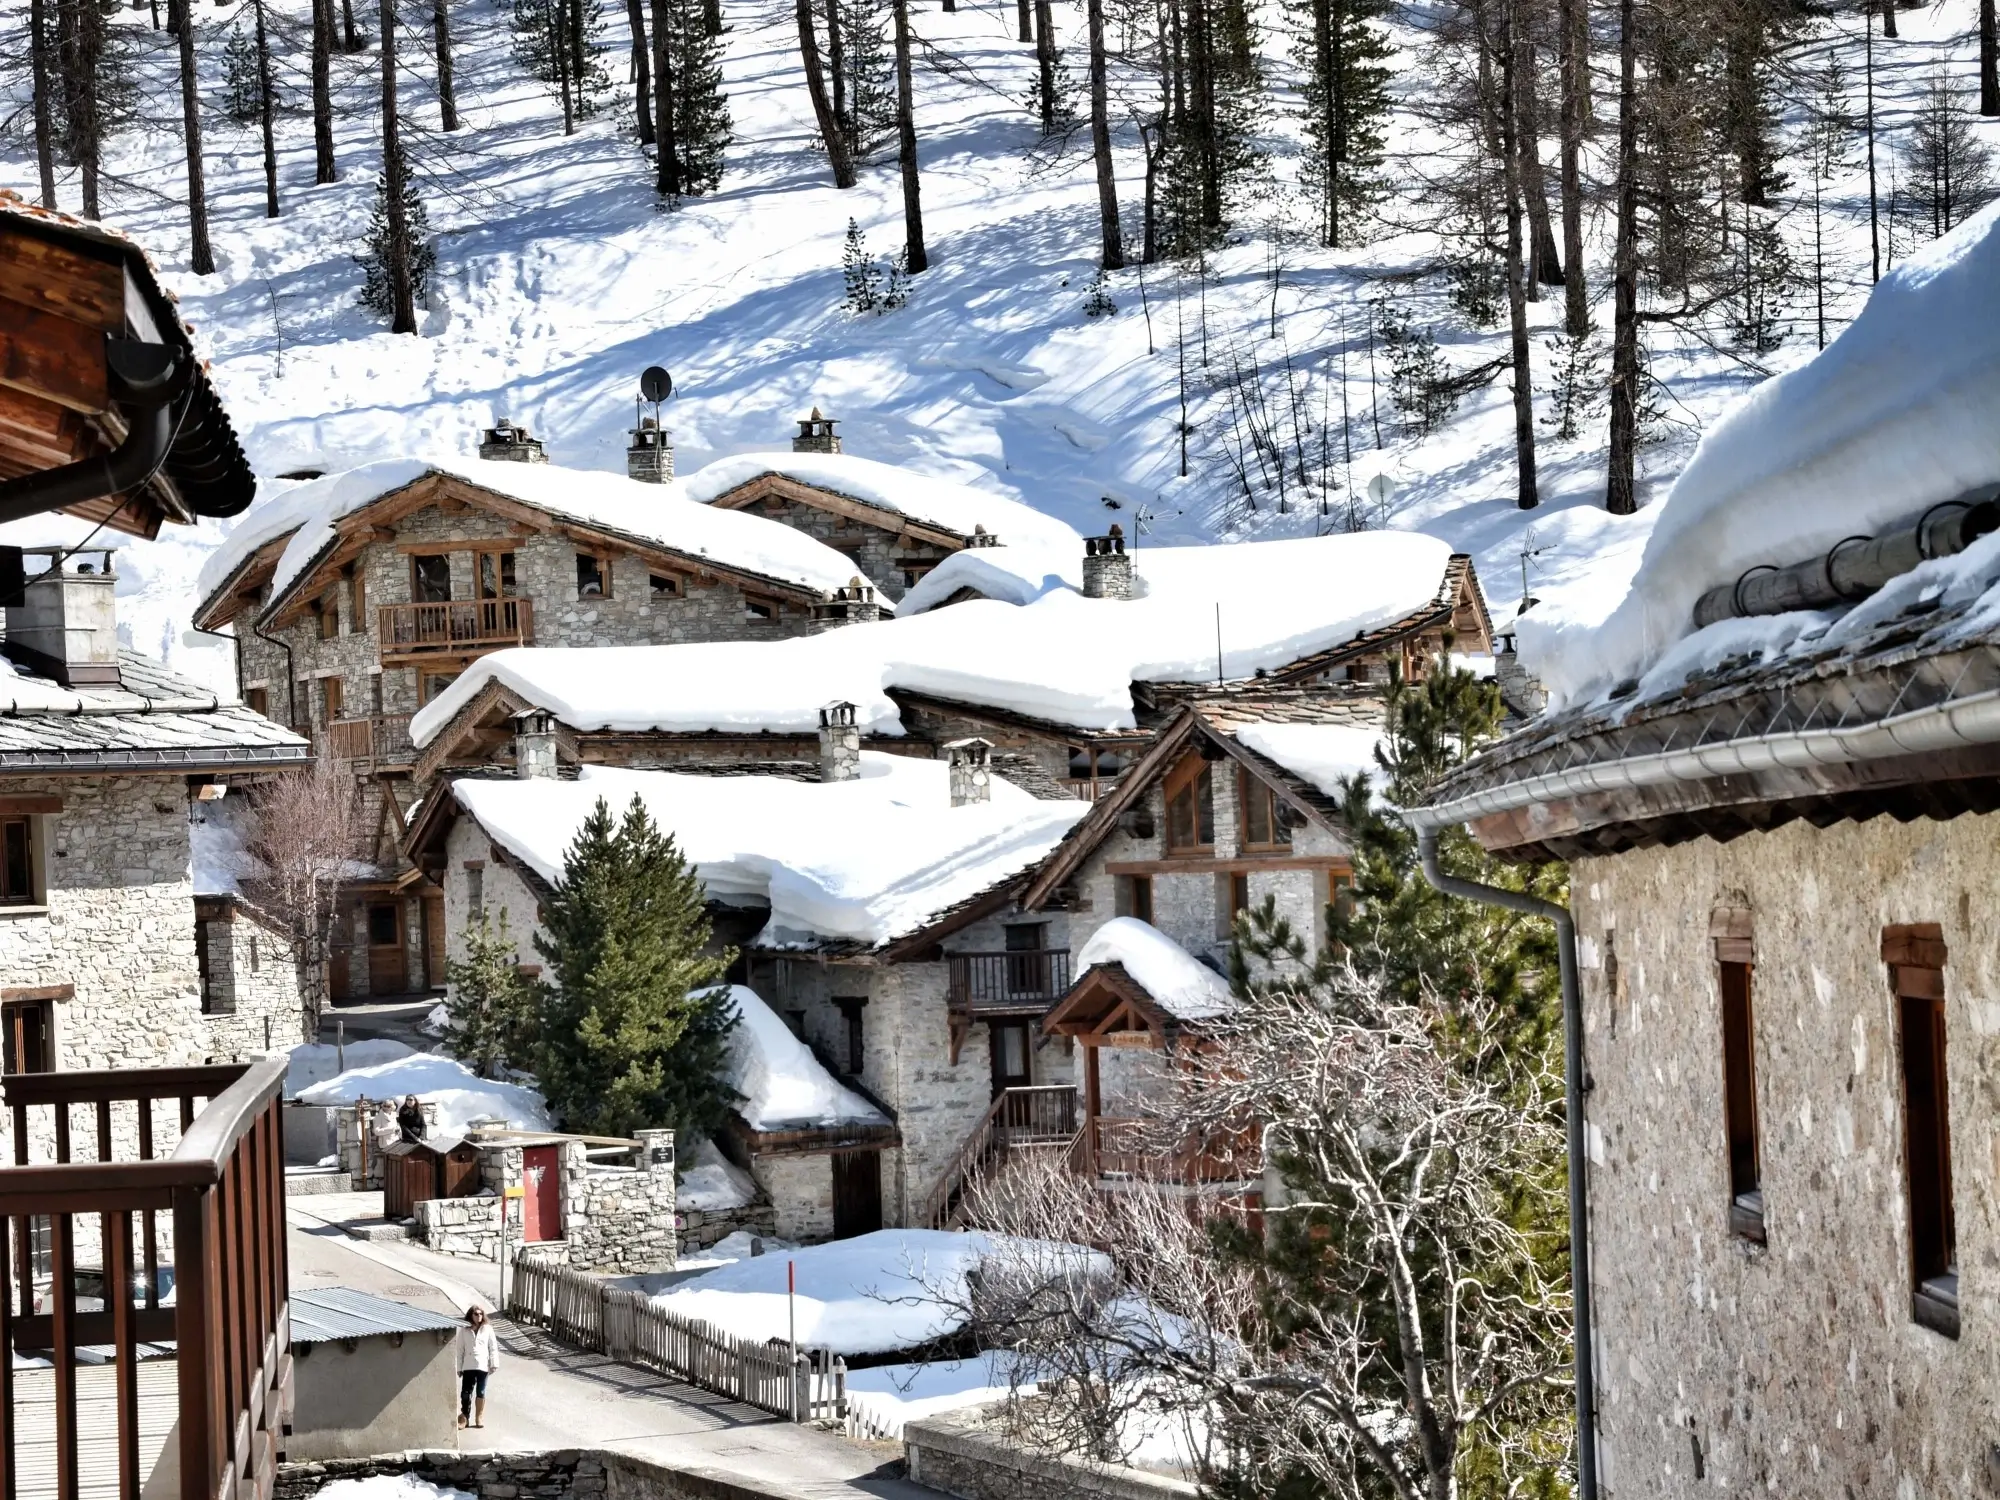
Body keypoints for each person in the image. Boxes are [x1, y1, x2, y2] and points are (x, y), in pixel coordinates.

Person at [455, 1304, 498, 1429]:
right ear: (471, 1315)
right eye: (476, 1314)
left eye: (480, 1314)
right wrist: (459, 1368)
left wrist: (494, 1363)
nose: (479, 1316)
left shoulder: (487, 1329)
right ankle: (465, 1417)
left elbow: (493, 1347)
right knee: (466, 1393)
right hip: (468, 1365)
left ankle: (479, 1417)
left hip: (482, 1365)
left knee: (481, 1391)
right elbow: (460, 1350)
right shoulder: (464, 1330)